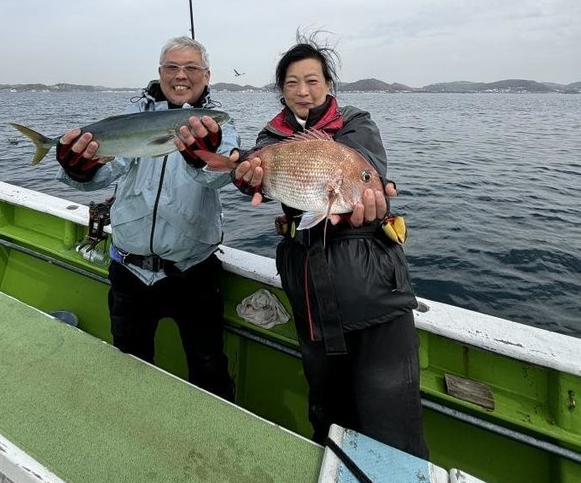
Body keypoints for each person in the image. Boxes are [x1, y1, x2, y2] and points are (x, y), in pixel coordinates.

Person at [231, 35, 427, 457]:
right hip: (308, 291)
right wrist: (242, 175)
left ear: (329, 84)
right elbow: (256, 171)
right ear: (281, 90)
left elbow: (364, 168)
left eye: (313, 81)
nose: (304, 91)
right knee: (327, 413)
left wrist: (364, 191)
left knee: (391, 416)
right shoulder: (270, 137)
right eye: (292, 83)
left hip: (372, 287)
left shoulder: (357, 121)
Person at [55, 36, 239, 401]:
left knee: (209, 371)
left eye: (191, 68)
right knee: (128, 366)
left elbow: (220, 176)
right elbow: (105, 174)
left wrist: (204, 156)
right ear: (160, 73)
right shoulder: (133, 117)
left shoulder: (218, 124)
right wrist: (79, 170)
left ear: (207, 75)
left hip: (193, 272)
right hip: (129, 270)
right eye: (172, 67)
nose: (181, 75)